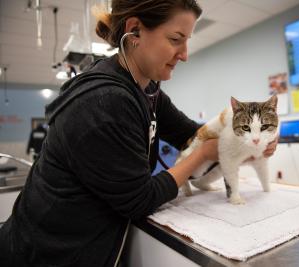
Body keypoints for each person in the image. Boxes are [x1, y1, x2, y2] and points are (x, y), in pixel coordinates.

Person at [0, 1, 278, 266]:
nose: (185, 54)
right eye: (175, 39)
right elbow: (139, 200)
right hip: (47, 255)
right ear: (135, 31)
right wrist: (201, 156)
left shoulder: (148, 89)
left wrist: (242, 142)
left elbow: (191, 133)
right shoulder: (104, 101)